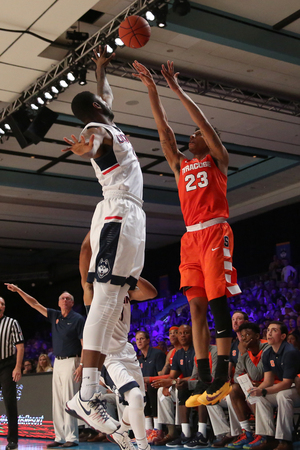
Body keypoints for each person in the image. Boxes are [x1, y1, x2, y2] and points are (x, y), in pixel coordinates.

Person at [133, 60, 241, 407]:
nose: (191, 136)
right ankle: (204, 375)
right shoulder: (181, 165)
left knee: (216, 300)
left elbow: (204, 124)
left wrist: (177, 90)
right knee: (195, 307)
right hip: (190, 238)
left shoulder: (217, 159)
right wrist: (152, 90)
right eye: (191, 135)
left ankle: (223, 374)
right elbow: (163, 130)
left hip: (213, 231)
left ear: (209, 142)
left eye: (196, 135)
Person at [63, 45, 145, 434]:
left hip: (130, 213)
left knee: (117, 293)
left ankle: (93, 392)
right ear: (95, 109)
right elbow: (94, 141)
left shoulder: (106, 121)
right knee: (107, 294)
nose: (106, 99)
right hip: (116, 211)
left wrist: (100, 69)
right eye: (101, 100)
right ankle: (87, 391)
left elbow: (105, 101)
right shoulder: (96, 130)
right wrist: (87, 148)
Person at [5, 284, 84, 448]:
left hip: (72, 360)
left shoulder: (78, 319)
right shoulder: (55, 315)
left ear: (72, 303)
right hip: (58, 361)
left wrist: (82, 365)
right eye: (62, 298)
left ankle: (72, 437)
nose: (64, 300)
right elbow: (34, 304)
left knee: (69, 399)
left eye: (68, 298)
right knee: (57, 400)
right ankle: (60, 436)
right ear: (58, 302)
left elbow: (85, 344)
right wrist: (20, 291)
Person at [247, 321, 300, 450]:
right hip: (288, 388)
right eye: (268, 330)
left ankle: (284, 441)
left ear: (282, 336)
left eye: (274, 330)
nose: (269, 333)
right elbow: (268, 381)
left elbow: (287, 382)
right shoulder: (267, 353)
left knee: (282, 395)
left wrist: (264, 391)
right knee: (260, 398)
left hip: (297, 389)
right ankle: (268, 438)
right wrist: (256, 390)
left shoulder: (290, 352)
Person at [0, 296, 24, 450]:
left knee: (9, 402)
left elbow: (20, 346)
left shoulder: (12, 322)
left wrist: (18, 367)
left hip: (7, 365)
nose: (1, 305)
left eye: (3, 303)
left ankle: (13, 440)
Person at [136, 330, 166, 442]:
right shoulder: (139, 360)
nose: (139, 341)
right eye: (137, 339)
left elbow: (161, 375)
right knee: (139, 392)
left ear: (148, 340)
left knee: (152, 389)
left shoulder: (157, 354)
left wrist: (149, 382)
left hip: (158, 384)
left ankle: (158, 430)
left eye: (142, 338)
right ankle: (148, 429)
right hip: (146, 387)